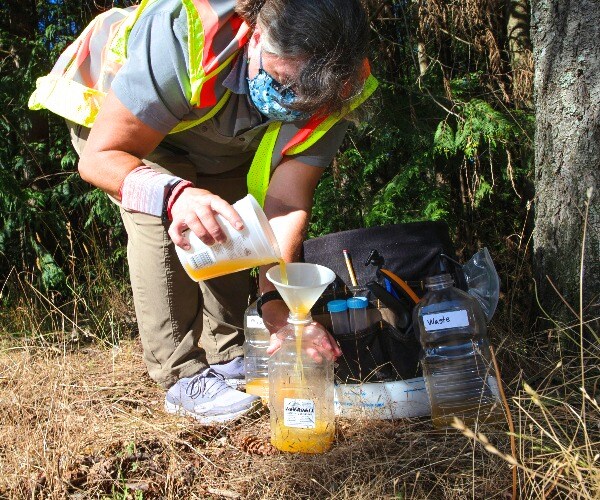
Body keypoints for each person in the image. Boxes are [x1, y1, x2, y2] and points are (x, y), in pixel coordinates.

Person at [29, 0, 376, 424]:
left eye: (307, 97)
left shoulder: (344, 82)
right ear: (255, 33)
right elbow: (100, 159)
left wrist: (277, 310)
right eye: (282, 81)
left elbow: (285, 204)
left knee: (231, 225)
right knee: (164, 220)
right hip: (121, 127)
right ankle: (180, 373)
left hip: (210, 137)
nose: (291, 103)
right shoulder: (186, 36)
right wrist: (175, 194)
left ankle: (226, 353)